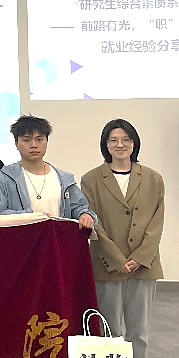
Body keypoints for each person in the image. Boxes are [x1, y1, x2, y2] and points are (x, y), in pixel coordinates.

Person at [80, 120, 164, 358]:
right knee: (110, 331)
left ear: (134, 144)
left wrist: (140, 257)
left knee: (139, 332)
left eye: (126, 140)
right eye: (113, 140)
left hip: (144, 265)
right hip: (107, 265)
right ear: (105, 145)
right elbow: (94, 221)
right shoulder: (91, 179)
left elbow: (157, 222)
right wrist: (117, 259)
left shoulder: (153, 178)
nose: (120, 145)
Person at [0, 115, 96, 230]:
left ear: (47, 141)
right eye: (26, 140)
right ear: (16, 143)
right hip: (20, 239)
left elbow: (79, 207)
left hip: (57, 239)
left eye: (39, 139)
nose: (33, 145)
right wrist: (31, 217)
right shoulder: (3, 178)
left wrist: (85, 215)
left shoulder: (64, 179)